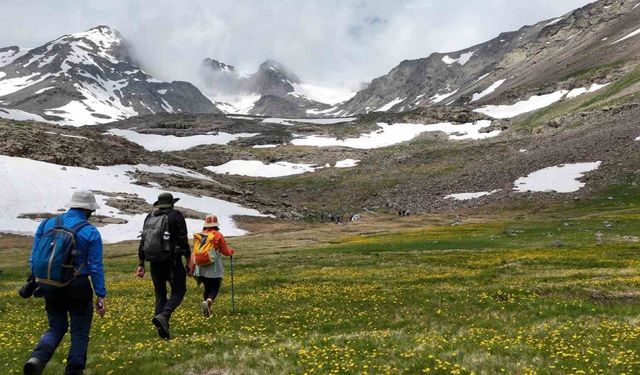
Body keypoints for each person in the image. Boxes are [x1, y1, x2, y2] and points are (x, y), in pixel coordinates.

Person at [23, 190, 107, 375]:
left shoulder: (47, 223)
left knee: (56, 327)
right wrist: (101, 295)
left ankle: (37, 358)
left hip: (50, 285)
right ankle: (73, 371)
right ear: (89, 210)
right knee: (79, 331)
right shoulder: (90, 231)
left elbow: (34, 257)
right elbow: (95, 266)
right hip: (78, 286)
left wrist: (37, 279)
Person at [136, 192, 193, 340]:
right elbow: (183, 241)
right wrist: (188, 259)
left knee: (160, 294)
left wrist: (141, 263)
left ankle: (162, 328)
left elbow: (143, 241)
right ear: (172, 203)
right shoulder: (176, 216)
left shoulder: (150, 217)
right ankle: (164, 315)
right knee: (179, 290)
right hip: (172, 261)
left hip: (154, 261)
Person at [192, 214, 235, 317]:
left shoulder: (200, 235)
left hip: (201, 265)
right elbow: (225, 251)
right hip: (213, 265)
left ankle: (207, 310)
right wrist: (231, 251)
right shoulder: (217, 235)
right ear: (216, 224)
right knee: (215, 286)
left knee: (207, 287)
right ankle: (209, 301)